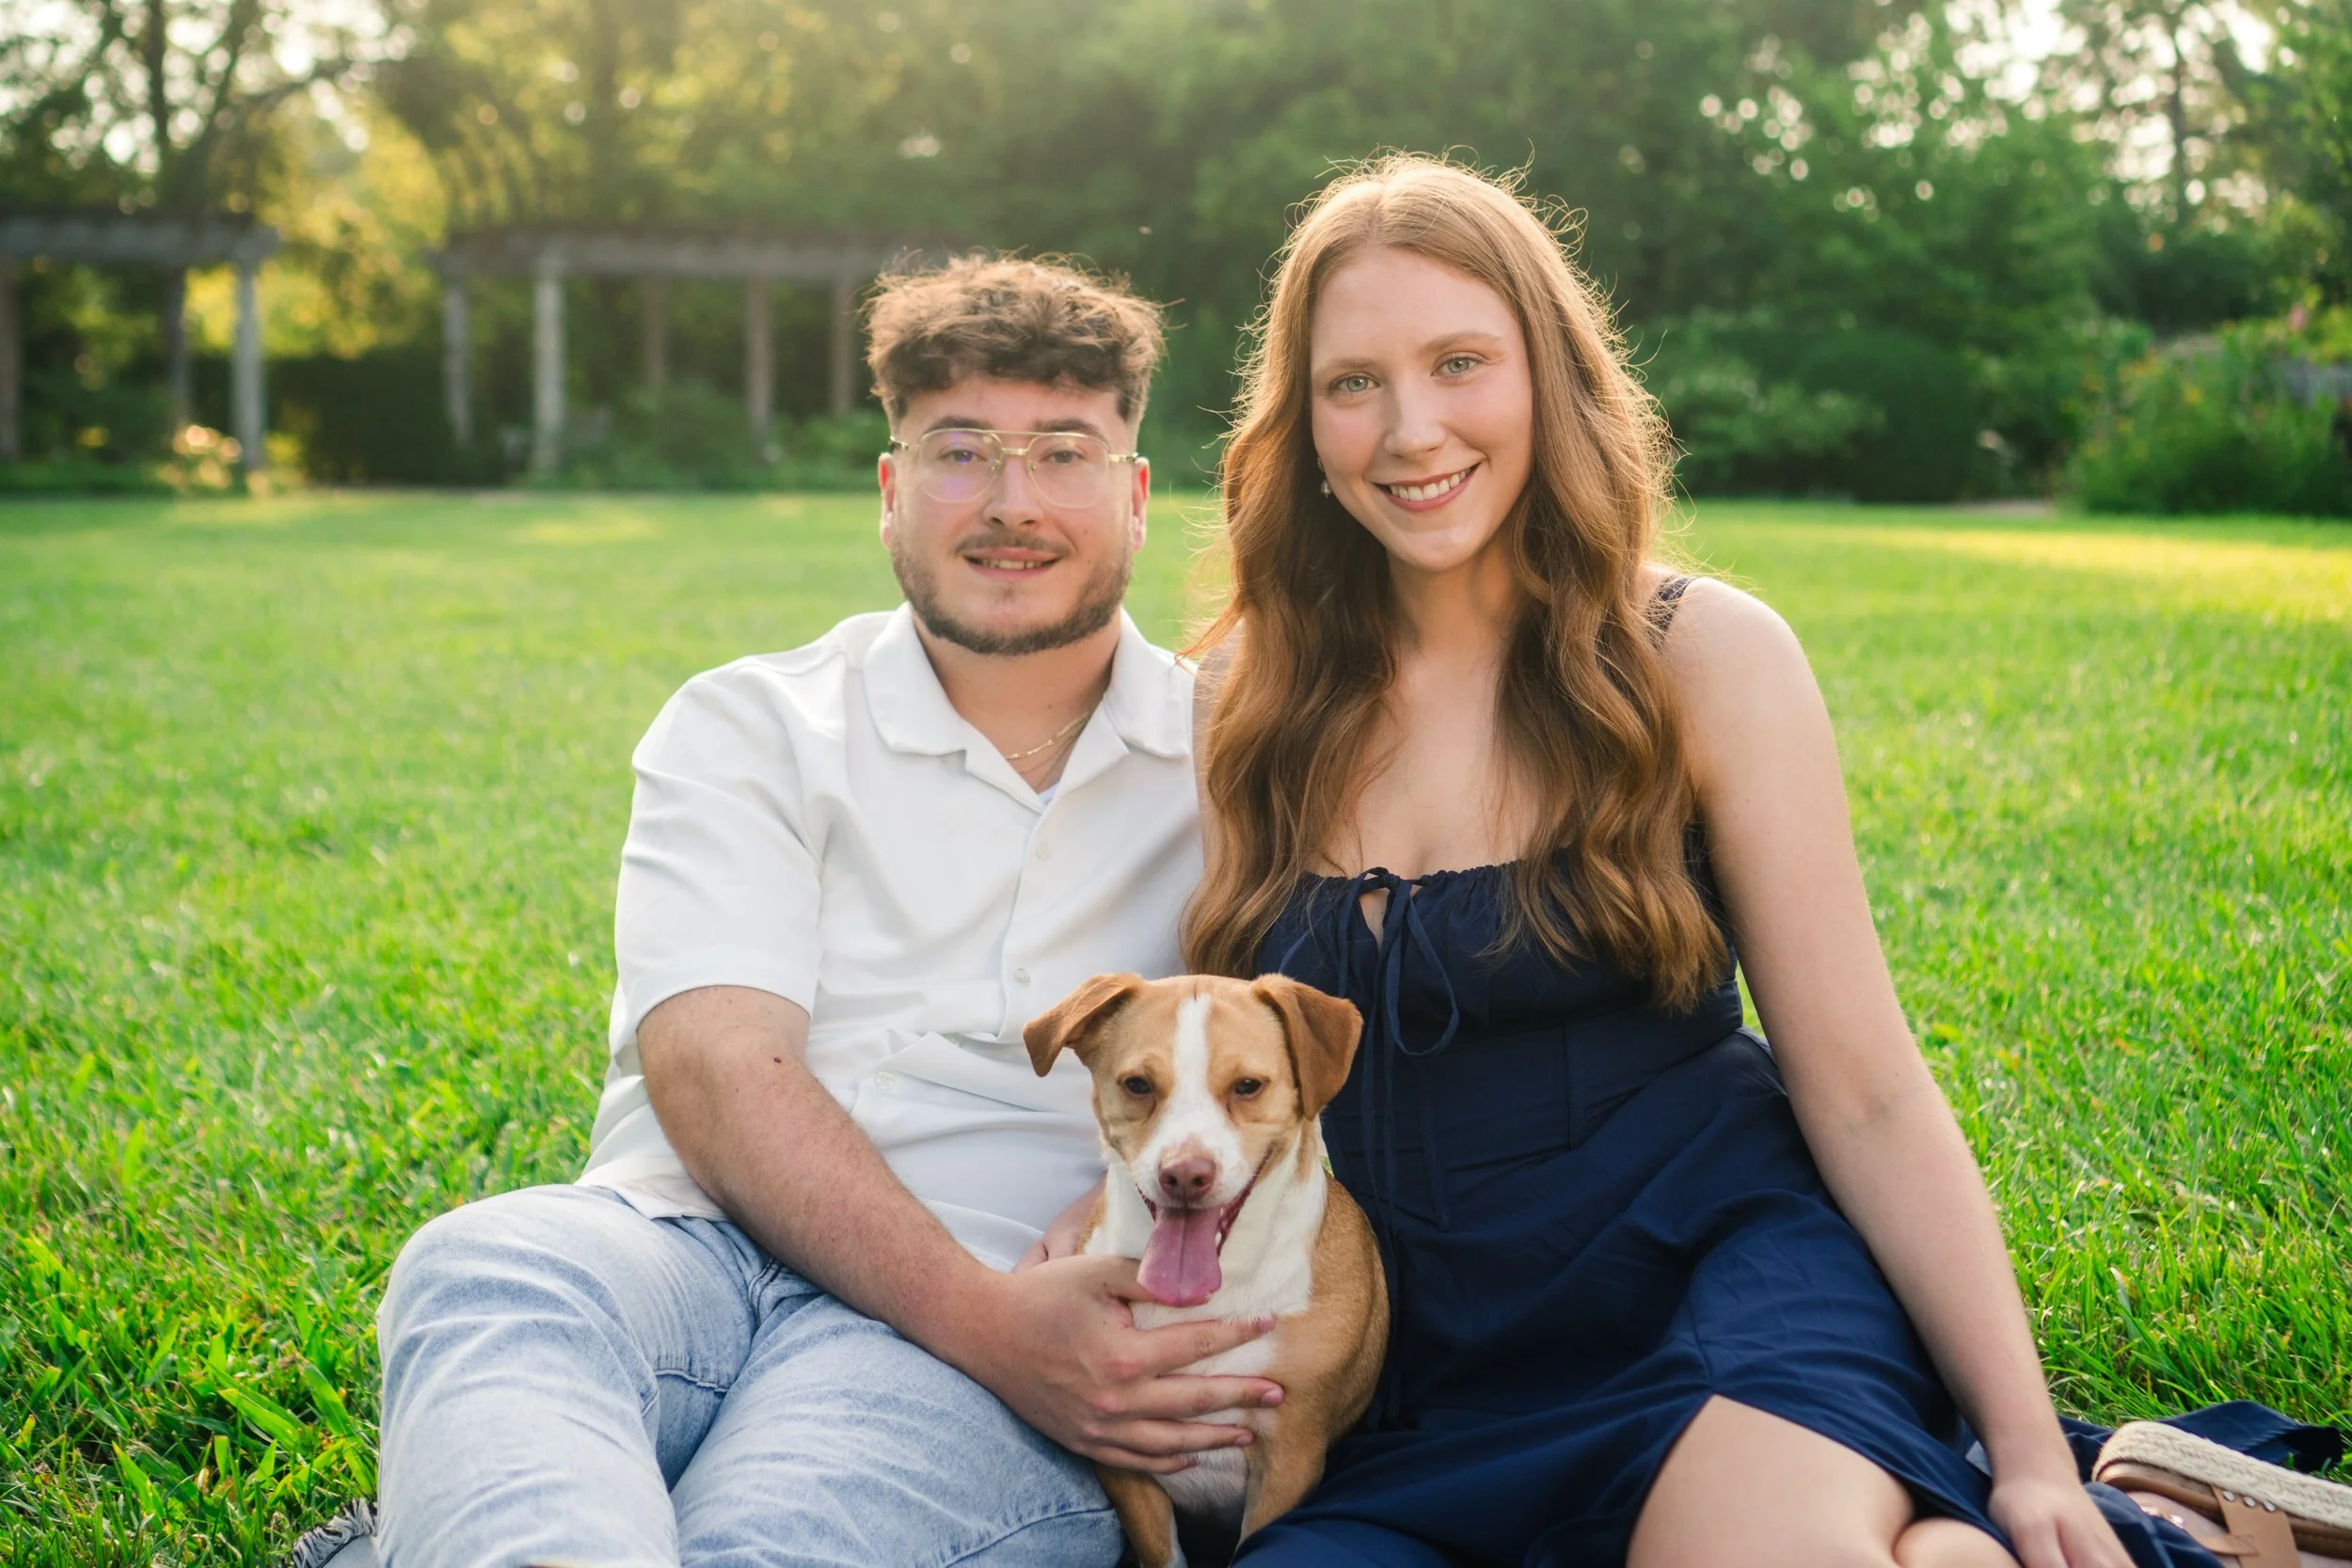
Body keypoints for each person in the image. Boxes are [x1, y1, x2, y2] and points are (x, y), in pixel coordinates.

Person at [1176, 154, 2140, 1568]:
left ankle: (1952, 1512)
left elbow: (1864, 1089)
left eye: (1460, 363)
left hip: (1705, 1294)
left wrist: (2036, 1455)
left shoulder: (1703, 655)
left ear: (1549, 373)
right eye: (1354, 382)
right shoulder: (1242, 698)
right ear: (1302, 419)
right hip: (1404, 1377)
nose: (1411, 427)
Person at [359, 256, 1281, 1567]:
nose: (1010, 502)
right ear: (892, 492)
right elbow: (718, 1065)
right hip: (690, 1246)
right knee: (490, 1269)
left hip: (1013, 1280)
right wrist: (985, 1323)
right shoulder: (753, 720)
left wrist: (1019, 1311)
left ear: (1135, 500)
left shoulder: (1234, 760)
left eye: (1063, 452)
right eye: (960, 451)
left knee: (779, 1533)